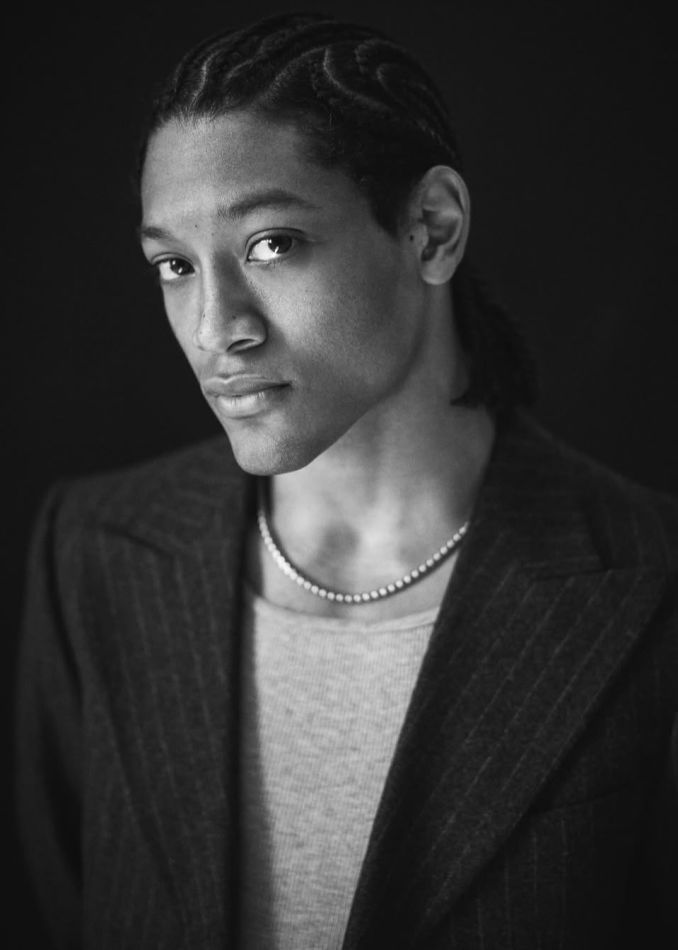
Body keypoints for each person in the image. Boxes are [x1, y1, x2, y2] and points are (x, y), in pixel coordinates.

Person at [15, 11, 677, 950]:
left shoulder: (653, 582)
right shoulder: (95, 552)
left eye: (272, 243)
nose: (215, 329)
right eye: (174, 264)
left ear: (432, 229)